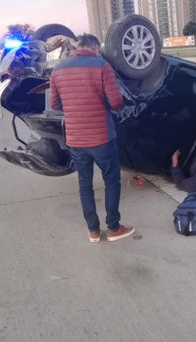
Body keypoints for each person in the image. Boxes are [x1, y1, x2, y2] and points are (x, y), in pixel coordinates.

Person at [49, 34, 135, 243]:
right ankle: (113, 227)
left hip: (76, 140)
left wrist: (73, 106)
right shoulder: (101, 65)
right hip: (102, 137)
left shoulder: (58, 69)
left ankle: (93, 231)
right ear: (95, 48)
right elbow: (115, 102)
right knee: (111, 181)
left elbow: (54, 104)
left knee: (84, 184)